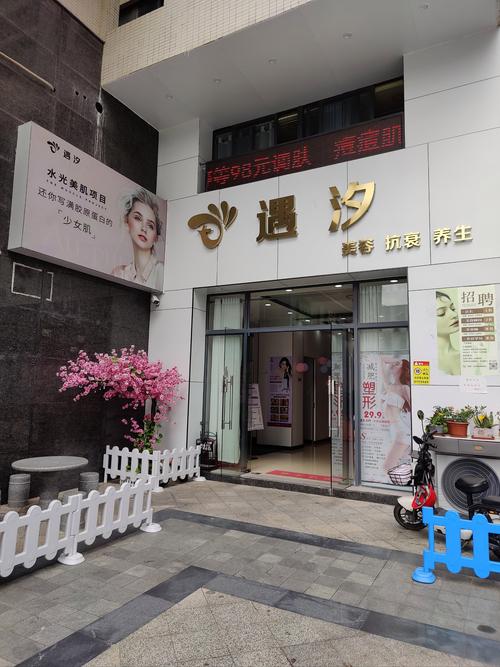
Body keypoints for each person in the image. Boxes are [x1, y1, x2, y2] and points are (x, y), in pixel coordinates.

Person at [112, 188, 164, 289]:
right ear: (126, 221)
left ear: (156, 238)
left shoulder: (162, 273)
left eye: (150, 226)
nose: (144, 228)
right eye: (138, 218)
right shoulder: (119, 274)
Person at [381, 357, 411, 473]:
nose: (393, 366)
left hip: (400, 430)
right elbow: (381, 360)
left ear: (403, 369)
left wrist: (399, 361)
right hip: (391, 429)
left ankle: (404, 481)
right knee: (397, 464)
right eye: (393, 365)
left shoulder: (404, 388)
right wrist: (396, 362)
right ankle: (405, 480)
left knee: (388, 466)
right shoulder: (389, 386)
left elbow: (413, 408)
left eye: (397, 365)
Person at [436, 290, 461, 375]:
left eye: (453, 308)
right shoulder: (423, 359)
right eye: (441, 313)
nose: (454, 314)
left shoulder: (466, 357)